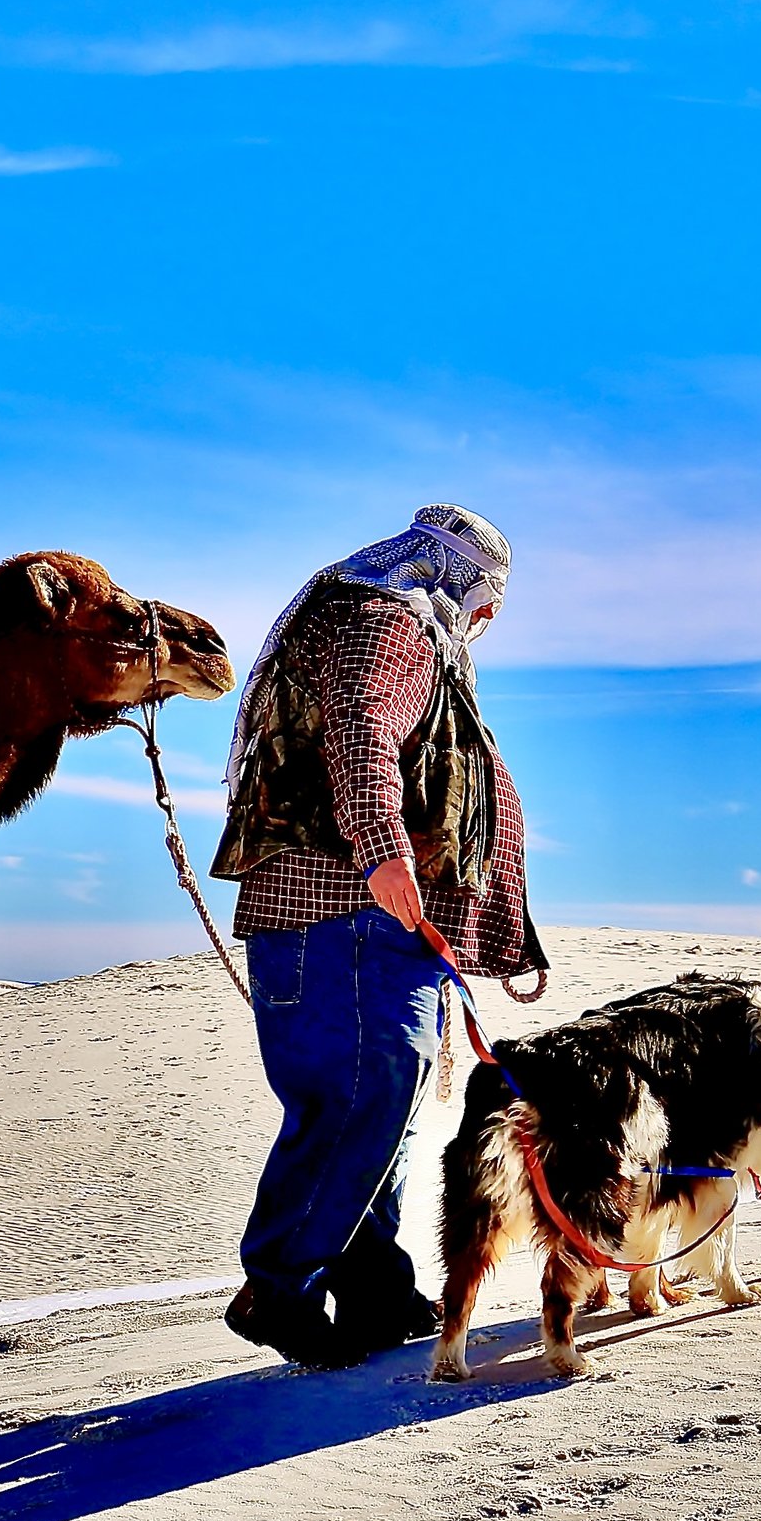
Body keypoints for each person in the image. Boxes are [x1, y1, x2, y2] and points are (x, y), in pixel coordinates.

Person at [211, 505, 547, 1369]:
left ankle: (373, 1286)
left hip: (362, 918)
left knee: (379, 1104)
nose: (487, 616)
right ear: (450, 575)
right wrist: (384, 853)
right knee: (364, 1093)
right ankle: (277, 1284)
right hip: (343, 911)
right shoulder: (389, 624)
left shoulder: (389, 620)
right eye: (485, 594)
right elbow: (363, 727)